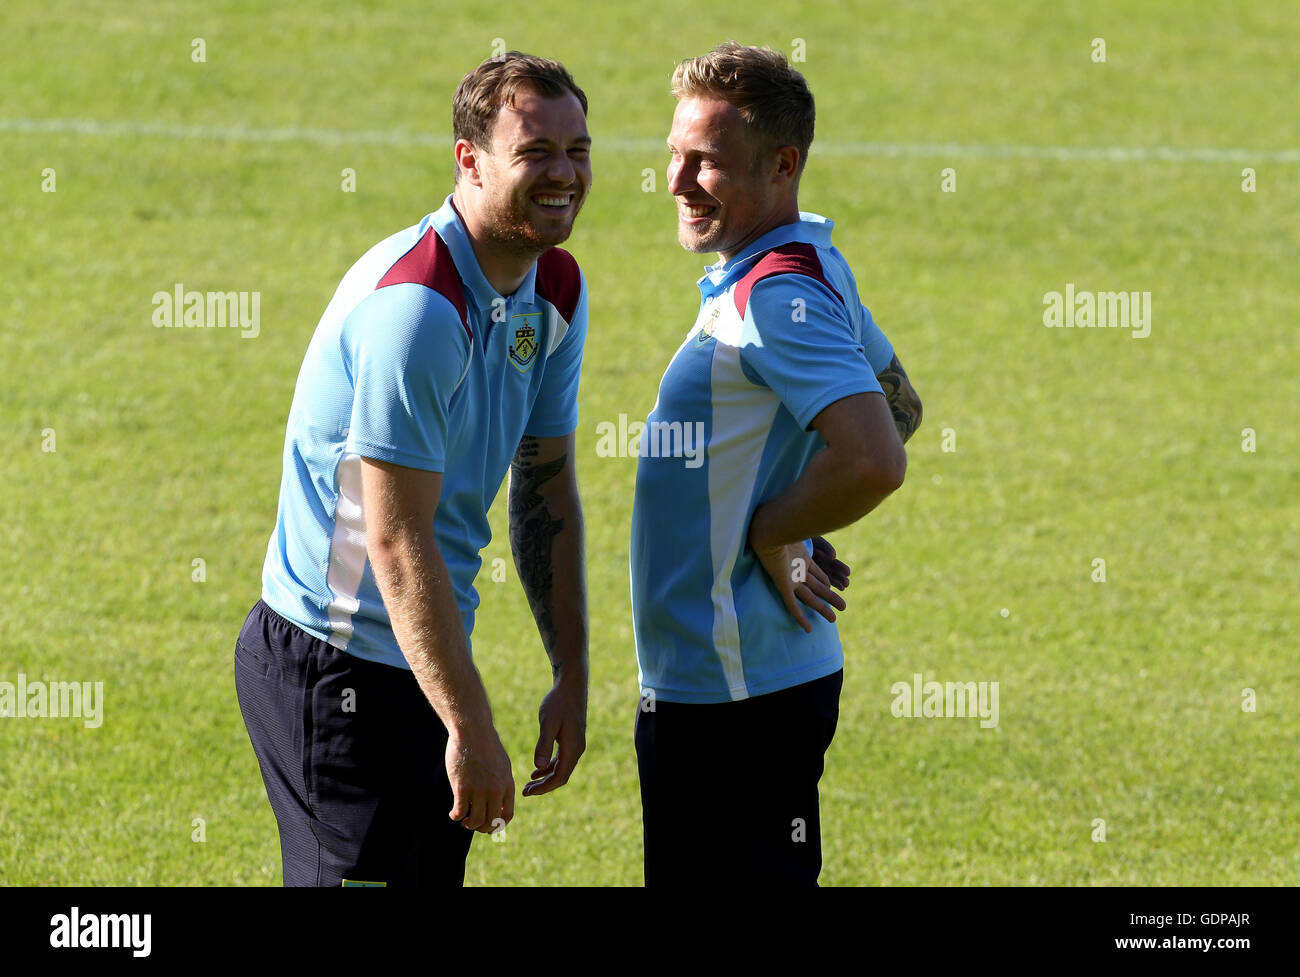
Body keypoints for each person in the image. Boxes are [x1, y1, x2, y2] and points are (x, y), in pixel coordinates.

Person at [235, 52, 593, 886]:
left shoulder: (556, 289)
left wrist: (570, 674)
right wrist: (468, 723)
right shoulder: (419, 310)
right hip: (336, 666)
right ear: (468, 160)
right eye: (535, 151)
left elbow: (546, 492)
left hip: (418, 651)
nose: (565, 174)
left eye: (578, 150)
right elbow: (394, 539)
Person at [630, 41, 923, 886]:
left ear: (783, 165)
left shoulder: (776, 297)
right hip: (750, 679)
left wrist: (773, 526)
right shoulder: (803, 265)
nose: (679, 182)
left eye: (708, 163)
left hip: (733, 695)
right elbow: (900, 406)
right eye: (675, 156)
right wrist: (789, 518)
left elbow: (877, 454)